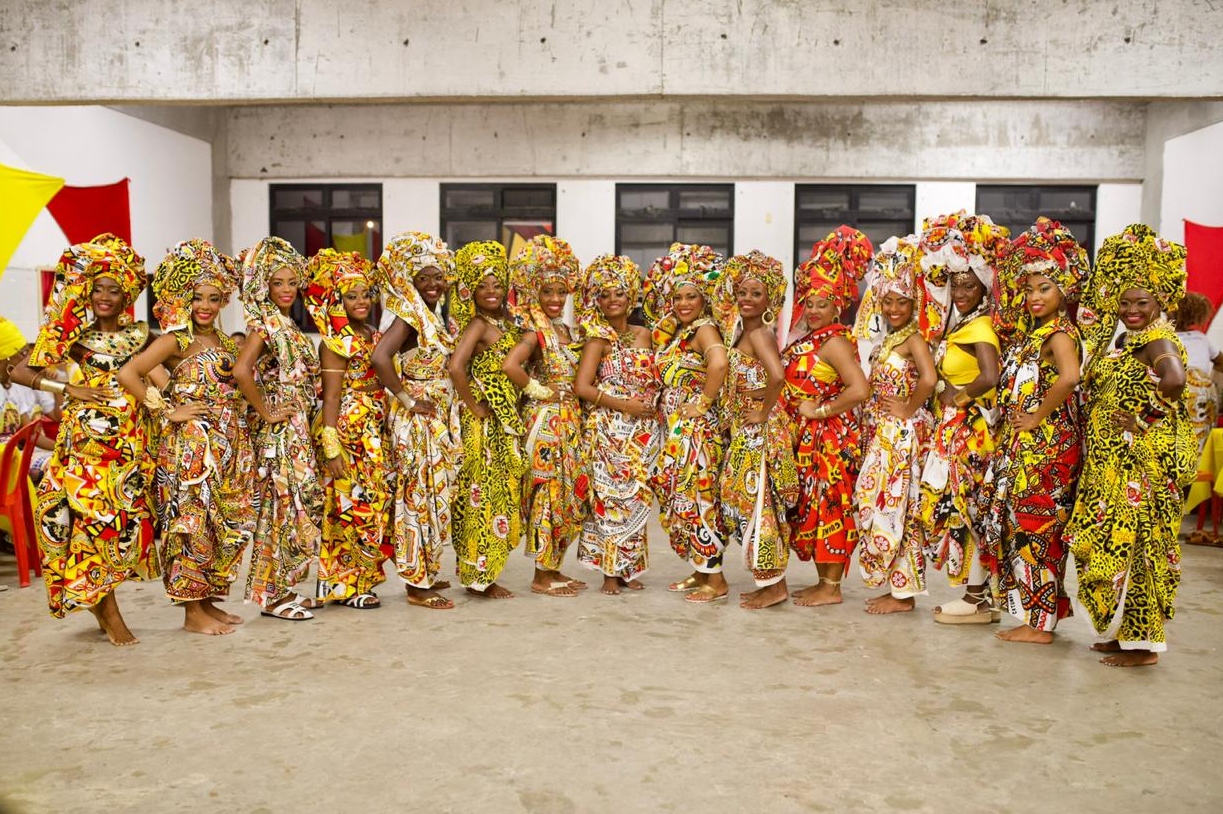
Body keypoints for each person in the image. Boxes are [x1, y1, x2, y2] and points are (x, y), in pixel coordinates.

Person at [9, 234, 159, 645]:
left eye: (114, 289)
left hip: (130, 444)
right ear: (87, 292)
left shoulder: (141, 335)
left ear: (127, 293)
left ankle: (97, 599)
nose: (104, 296)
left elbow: (156, 377)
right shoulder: (73, 337)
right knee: (91, 523)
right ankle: (110, 614)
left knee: (124, 525)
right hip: (85, 445)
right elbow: (20, 371)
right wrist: (67, 390)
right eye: (98, 288)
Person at [1067, 224, 1195, 667]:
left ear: (1160, 301)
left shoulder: (1158, 339)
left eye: (1142, 302)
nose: (1131, 310)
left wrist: (1145, 419)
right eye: (1124, 302)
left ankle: (1144, 646)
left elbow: (1175, 380)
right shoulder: (1126, 340)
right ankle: (1125, 634)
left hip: (1141, 463)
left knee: (1139, 547)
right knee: (1115, 542)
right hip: (1114, 461)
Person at [116, 239, 253, 635]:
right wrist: (167, 410)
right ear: (183, 299)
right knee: (190, 524)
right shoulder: (174, 339)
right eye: (197, 298)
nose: (205, 307)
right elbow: (129, 373)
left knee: (220, 525)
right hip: (191, 448)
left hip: (228, 446)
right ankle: (192, 614)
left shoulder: (225, 342)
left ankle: (207, 602)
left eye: (213, 298)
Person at [981, 217, 1089, 644]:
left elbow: (1070, 377)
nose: (1034, 297)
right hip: (1026, 449)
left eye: (1044, 288)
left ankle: (1040, 626)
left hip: (1046, 451)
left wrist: (1039, 416)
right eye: (1028, 289)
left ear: (1063, 290)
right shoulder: (1037, 332)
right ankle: (1035, 618)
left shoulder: (1060, 332)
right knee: (1024, 531)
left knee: (1038, 531)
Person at [915, 215, 1008, 624]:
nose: (962, 291)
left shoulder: (980, 328)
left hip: (974, 432)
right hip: (959, 428)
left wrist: (962, 396)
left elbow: (991, 376)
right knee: (962, 512)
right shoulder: (964, 324)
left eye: (970, 285)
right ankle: (977, 596)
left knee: (971, 514)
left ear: (985, 286)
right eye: (956, 284)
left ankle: (975, 598)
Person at [231, 237, 325, 621]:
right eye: (277, 283)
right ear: (263, 286)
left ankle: (282, 588)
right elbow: (241, 371)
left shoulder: (285, 323)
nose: (286, 290)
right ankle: (269, 596)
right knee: (279, 508)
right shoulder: (265, 324)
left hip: (297, 428)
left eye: (291, 282)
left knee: (297, 507)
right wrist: (267, 411)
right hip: (279, 435)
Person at [781, 227, 873, 607]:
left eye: (823, 303)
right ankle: (823, 581)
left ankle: (832, 588)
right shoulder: (808, 340)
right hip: (808, 439)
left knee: (831, 504)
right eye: (810, 303)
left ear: (839, 305)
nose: (815, 310)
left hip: (832, 440)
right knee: (814, 508)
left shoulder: (834, 341)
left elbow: (859, 389)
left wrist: (819, 411)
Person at [372, 232, 460, 610]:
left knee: (434, 497)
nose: (433, 285)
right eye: (423, 278)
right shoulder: (408, 317)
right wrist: (408, 400)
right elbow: (380, 358)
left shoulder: (433, 316)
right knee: (417, 498)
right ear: (410, 280)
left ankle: (425, 569)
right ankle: (415, 584)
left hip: (436, 419)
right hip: (417, 422)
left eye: (438, 277)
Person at [852, 236, 937, 614]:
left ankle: (904, 596)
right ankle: (896, 587)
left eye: (902, 301)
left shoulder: (913, 338)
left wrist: (908, 408)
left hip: (901, 434)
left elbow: (931, 379)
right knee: (884, 507)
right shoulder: (891, 338)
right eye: (888, 301)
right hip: (883, 432)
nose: (894, 308)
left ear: (914, 302)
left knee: (900, 508)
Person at [303, 249, 391, 609]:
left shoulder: (373, 333)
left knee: (374, 504)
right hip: (349, 431)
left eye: (365, 294)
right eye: (350, 295)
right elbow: (333, 396)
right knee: (347, 506)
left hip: (374, 427)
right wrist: (331, 445)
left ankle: (362, 581)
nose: (360, 301)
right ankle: (344, 586)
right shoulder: (333, 341)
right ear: (337, 300)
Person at [503, 236, 590, 597]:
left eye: (560, 292)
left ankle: (554, 566)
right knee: (547, 495)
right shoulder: (534, 331)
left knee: (569, 495)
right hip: (545, 424)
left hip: (570, 421)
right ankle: (541, 575)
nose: (555, 299)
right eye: (547, 292)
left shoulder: (565, 331)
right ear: (533, 292)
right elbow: (510, 365)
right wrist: (540, 391)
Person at [644, 243, 730, 604]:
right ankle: (701, 570)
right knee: (685, 499)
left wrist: (703, 403)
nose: (682, 303)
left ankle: (717, 580)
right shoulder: (682, 332)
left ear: (703, 299)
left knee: (700, 497)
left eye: (690, 296)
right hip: (677, 430)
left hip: (697, 431)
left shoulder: (705, 329)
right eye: (677, 296)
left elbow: (720, 364)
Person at [573, 255, 660, 595]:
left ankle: (627, 568)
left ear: (631, 297)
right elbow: (582, 387)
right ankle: (609, 573)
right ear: (596, 299)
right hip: (609, 427)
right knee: (610, 498)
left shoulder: (646, 334)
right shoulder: (597, 338)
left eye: (619, 294)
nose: (612, 301)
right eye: (605, 295)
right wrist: (625, 406)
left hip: (644, 431)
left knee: (637, 499)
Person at [717, 250, 799, 610]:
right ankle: (766, 581)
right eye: (742, 292)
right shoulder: (742, 331)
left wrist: (763, 413)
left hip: (761, 434)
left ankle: (775, 586)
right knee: (753, 504)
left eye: (756, 294)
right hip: (746, 430)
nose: (747, 300)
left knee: (763, 504)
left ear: (770, 300)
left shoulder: (761, 334)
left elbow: (779, 377)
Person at [447, 240, 526, 599]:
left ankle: (488, 572)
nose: (492, 292)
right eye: (482, 285)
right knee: (480, 497)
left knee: (501, 495)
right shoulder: (478, 324)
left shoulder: (507, 321)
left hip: (504, 420)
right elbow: (456, 367)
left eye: (497, 284)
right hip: (482, 424)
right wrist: (473, 406)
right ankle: (478, 579)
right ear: (470, 289)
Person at [1171, 291, 1222, 454]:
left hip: (1179, 388)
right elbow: (1221, 362)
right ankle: (1202, 473)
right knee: (1203, 437)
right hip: (1205, 390)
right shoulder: (1201, 337)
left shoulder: (1166, 338)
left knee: (1177, 436)